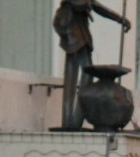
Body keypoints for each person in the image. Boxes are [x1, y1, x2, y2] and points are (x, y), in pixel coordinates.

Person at [53, 0, 131, 131]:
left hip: (80, 32)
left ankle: (75, 118)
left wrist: (120, 19)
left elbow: (96, 6)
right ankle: (71, 120)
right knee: (81, 71)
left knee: (83, 72)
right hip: (73, 32)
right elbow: (83, 4)